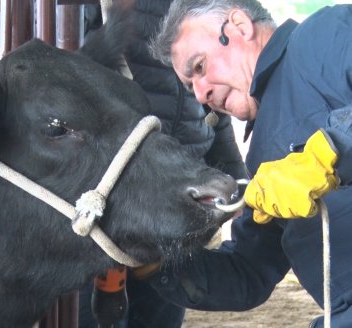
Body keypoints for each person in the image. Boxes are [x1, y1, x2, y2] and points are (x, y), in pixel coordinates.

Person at [138, 1, 352, 327]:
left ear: (239, 26)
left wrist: (329, 153)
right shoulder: (262, 161)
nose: (200, 94)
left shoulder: (325, 33)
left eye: (199, 67)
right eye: (189, 86)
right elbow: (249, 271)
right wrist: (157, 263)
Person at [79, 1, 248, 327]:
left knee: (163, 307)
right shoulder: (100, 11)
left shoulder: (196, 10)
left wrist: (230, 166)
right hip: (111, 196)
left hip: (175, 199)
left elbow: (206, 100)